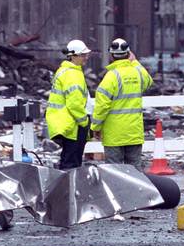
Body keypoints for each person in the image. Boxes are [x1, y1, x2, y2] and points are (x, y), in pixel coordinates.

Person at [92, 38, 153, 172]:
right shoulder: (138, 73)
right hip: (134, 133)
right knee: (136, 173)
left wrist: (96, 126)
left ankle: (118, 194)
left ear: (112, 56)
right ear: (128, 53)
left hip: (114, 135)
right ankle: (137, 194)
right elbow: (148, 81)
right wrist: (135, 62)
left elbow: (102, 105)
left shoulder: (110, 77)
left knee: (114, 173)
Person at [46, 39, 92, 170]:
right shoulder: (73, 74)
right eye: (83, 55)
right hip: (74, 125)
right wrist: (84, 122)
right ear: (73, 56)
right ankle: (70, 189)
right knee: (72, 164)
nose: (86, 58)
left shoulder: (65, 71)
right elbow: (75, 104)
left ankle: (65, 188)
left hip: (66, 124)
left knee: (67, 160)